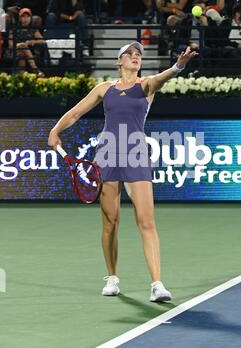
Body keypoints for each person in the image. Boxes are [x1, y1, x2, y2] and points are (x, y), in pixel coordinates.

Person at [48, 42, 197, 302]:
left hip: (136, 154)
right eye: (129, 54)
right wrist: (55, 131)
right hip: (106, 155)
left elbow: (161, 80)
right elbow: (75, 113)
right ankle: (113, 277)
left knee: (147, 221)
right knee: (110, 221)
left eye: (138, 55)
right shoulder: (104, 89)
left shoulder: (146, 85)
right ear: (119, 61)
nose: (134, 57)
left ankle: (157, 284)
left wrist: (177, 66)